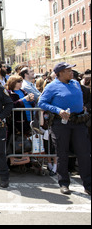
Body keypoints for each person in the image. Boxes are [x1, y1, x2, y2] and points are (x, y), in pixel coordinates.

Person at [38, 62, 91, 196]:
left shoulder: (75, 83)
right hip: (61, 124)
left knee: (84, 153)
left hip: (78, 122)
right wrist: (58, 110)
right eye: (68, 70)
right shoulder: (51, 86)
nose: (71, 72)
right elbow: (41, 102)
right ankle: (64, 183)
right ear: (60, 73)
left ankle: (88, 185)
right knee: (62, 154)